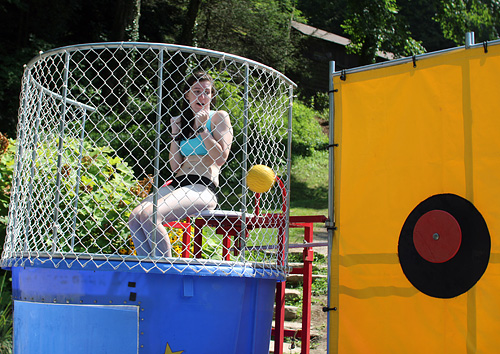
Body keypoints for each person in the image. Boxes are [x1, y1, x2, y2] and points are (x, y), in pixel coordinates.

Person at [129, 71, 233, 257]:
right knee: (136, 217)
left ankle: (166, 272)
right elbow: (175, 167)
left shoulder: (218, 117)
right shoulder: (183, 122)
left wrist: (203, 129)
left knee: (151, 215)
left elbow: (221, 158)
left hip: (202, 185)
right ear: (187, 94)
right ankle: (147, 268)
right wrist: (175, 134)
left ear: (212, 95)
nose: (202, 96)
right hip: (178, 183)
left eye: (207, 92)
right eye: (196, 91)